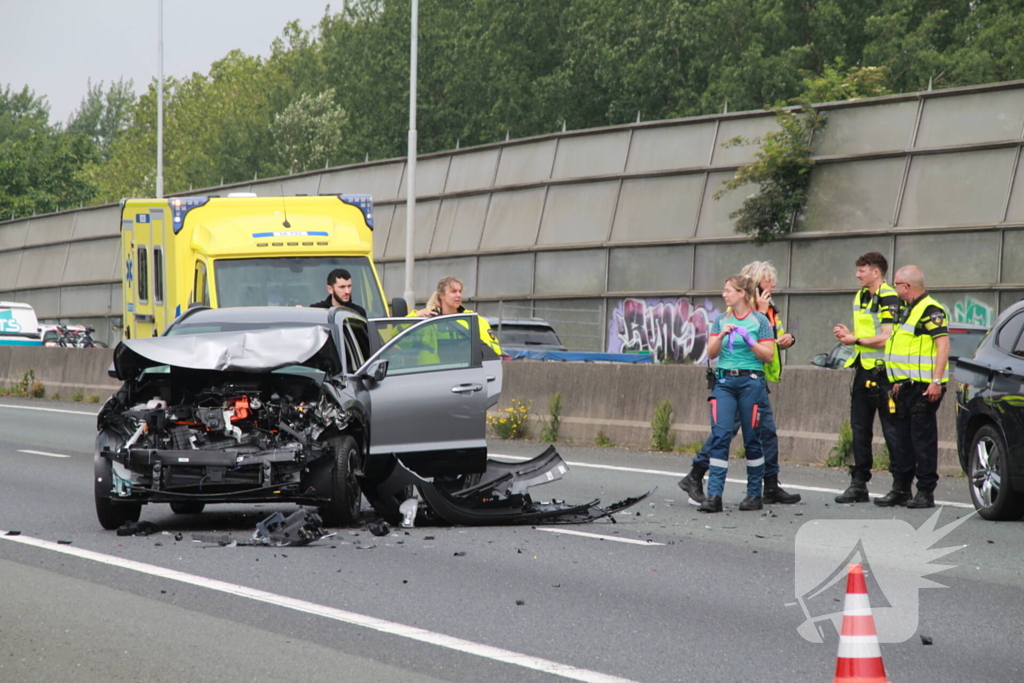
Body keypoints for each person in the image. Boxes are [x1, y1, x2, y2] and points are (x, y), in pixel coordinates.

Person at [678, 261, 802, 505]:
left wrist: (788, 338)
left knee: (764, 432)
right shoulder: (739, 310)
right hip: (735, 379)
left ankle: (767, 485)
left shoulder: (767, 311)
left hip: (756, 378)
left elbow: (770, 340)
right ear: (754, 285)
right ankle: (698, 475)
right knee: (725, 431)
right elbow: (718, 347)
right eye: (768, 281)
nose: (773, 285)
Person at [696, 274, 776, 513]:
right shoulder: (720, 319)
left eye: (728, 290)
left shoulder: (760, 321)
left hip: (751, 382)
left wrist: (750, 341)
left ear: (742, 293)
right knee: (720, 436)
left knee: (753, 438)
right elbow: (710, 353)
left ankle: (753, 495)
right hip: (724, 382)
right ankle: (714, 495)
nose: (724, 294)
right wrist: (721, 336)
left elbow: (769, 355)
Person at [873, 265, 949, 509]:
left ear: (906, 286)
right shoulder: (908, 310)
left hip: (925, 387)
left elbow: (943, 346)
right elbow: (904, 349)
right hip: (904, 386)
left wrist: (936, 381)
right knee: (902, 439)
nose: (893, 288)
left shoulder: (931, 310)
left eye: (895, 284)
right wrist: (896, 380)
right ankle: (901, 488)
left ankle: (925, 491)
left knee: (922, 439)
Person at [832, 252, 903, 503]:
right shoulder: (861, 296)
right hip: (863, 369)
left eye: (862, 270)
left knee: (892, 430)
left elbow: (887, 336)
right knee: (859, 429)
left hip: (886, 372)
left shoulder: (889, 296)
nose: (857, 274)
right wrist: (848, 334)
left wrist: (856, 339)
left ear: (875, 272)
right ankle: (859, 483)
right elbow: (865, 332)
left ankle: (901, 486)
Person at [409, 275, 502, 357]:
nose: (458, 295)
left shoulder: (473, 319)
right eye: (454, 292)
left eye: (460, 291)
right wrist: (414, 316)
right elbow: (403, 343)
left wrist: (470, 347)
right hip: (431, 372)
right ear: (442, 295)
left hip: (464, 370)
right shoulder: (428, 320)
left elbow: (495, 350)